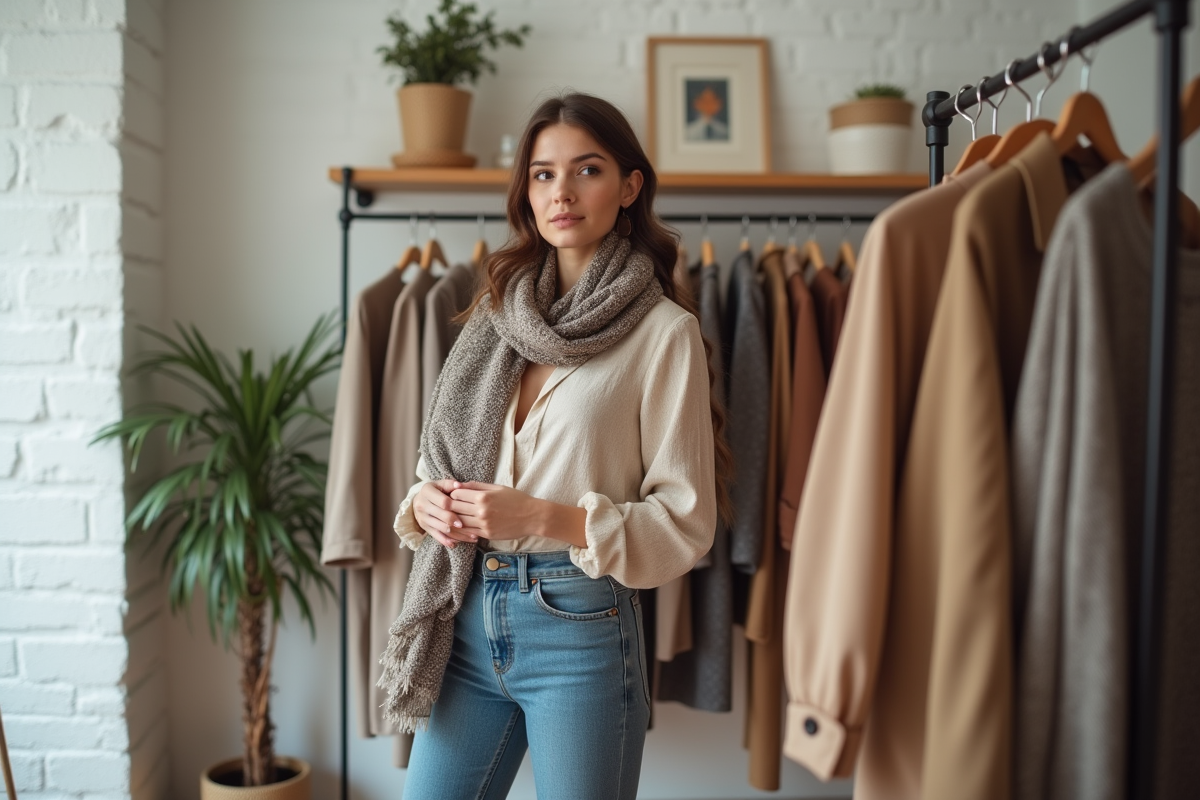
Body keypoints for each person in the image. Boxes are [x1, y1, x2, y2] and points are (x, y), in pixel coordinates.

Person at [390, 92, 733, 800]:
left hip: (579, 622)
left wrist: (543, 519)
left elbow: (686, 521)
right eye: (543, 174)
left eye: (587, 170)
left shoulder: (664, 333)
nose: (563, 192)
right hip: (466, 606)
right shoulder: (495, 315)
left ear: (630, 186)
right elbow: (442, 459)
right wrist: (426, 500)